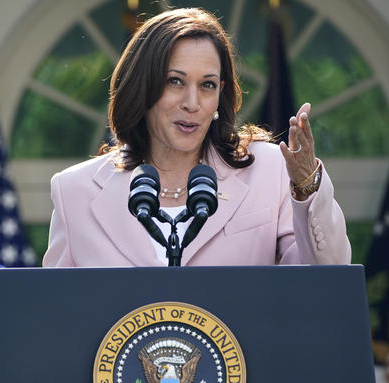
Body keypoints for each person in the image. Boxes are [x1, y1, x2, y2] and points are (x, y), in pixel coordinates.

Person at [42, 7, 351, 267]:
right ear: (142, 88)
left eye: (207, 85)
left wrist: (307, 185)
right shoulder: (74, 192)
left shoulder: (268, 170)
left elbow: (326, 278)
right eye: (175, 81)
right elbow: (57, 317)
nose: (192, 103)